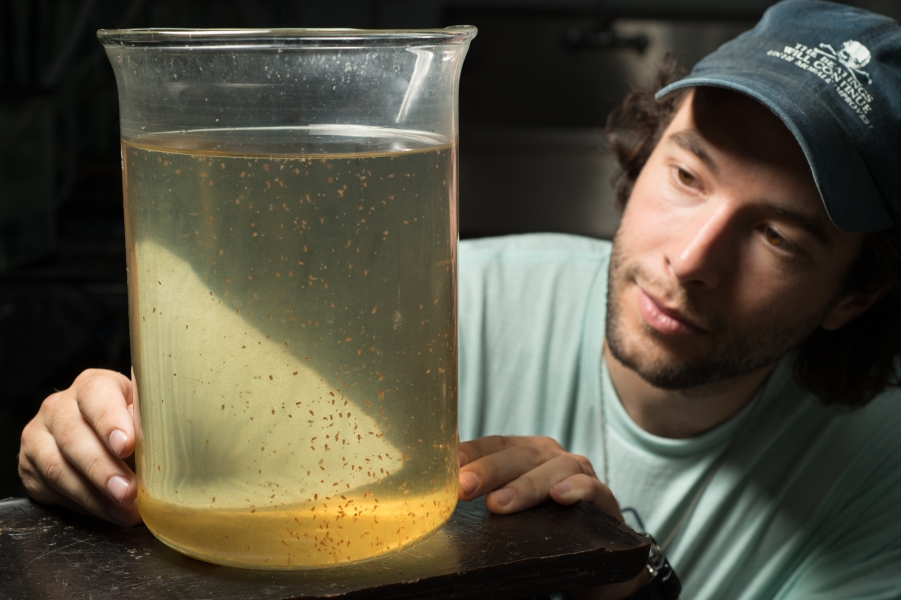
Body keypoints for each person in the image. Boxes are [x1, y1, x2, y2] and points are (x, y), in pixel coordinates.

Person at [17, 1, 901, 598]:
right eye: (685, 174)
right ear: (642, 152)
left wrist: (627, 583)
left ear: (854, 296)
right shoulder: (449, 298)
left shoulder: (882, 481)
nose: (694, 257)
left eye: (779, 236)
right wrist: (91, 439)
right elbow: (208, 456)